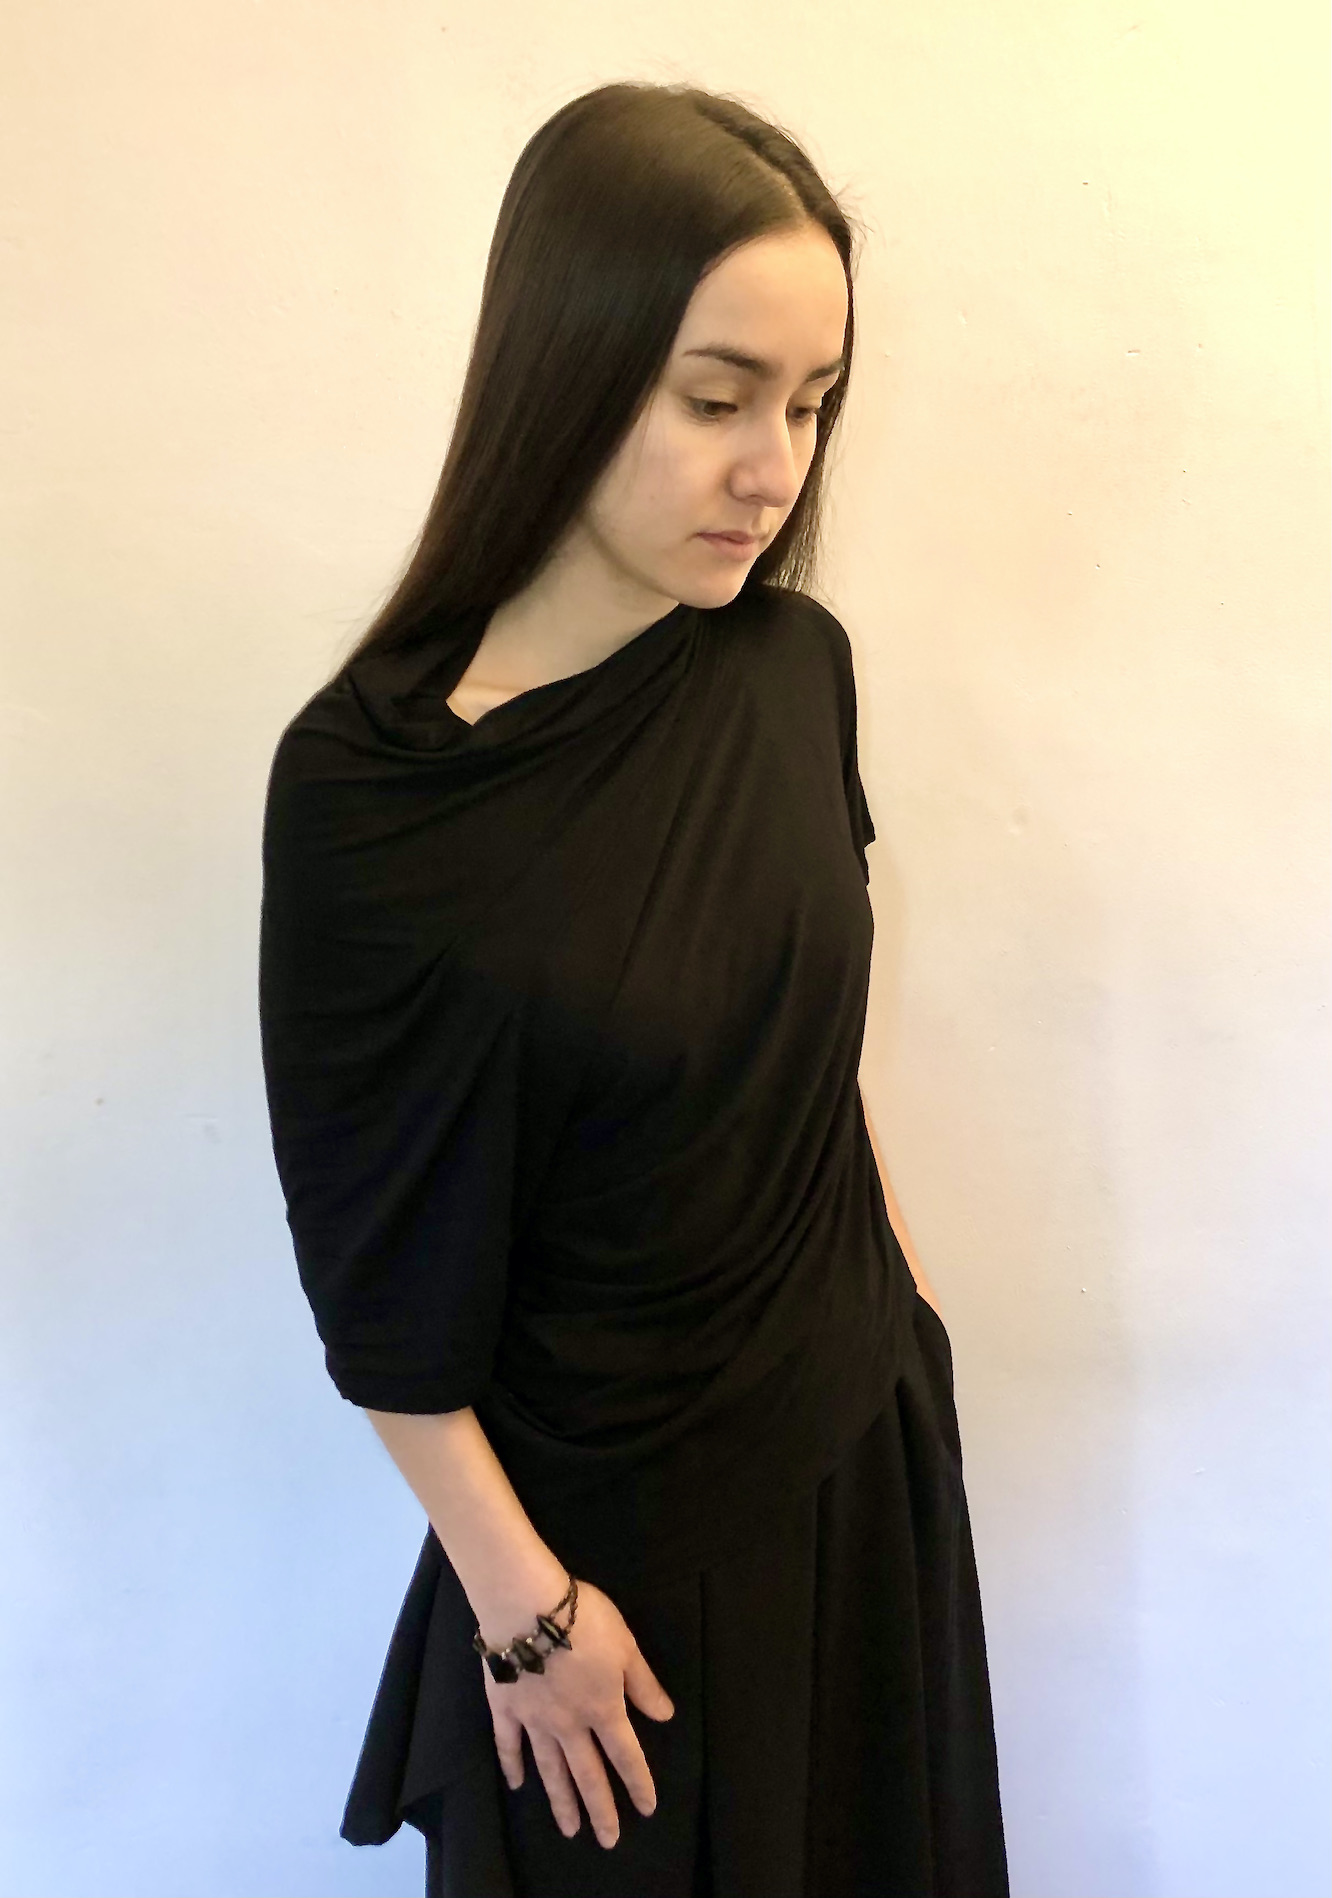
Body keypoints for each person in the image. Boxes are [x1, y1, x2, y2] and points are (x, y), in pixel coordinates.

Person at [259, 79, 1009, 1898]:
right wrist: (526, 1617)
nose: (775, 468)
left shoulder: (791, 666)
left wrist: (906, 1311)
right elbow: (376, 1283)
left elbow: (796, 1037)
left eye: (812, 403)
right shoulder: (377, 789)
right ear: (568, 366)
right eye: (717, 398)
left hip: (858, 1447)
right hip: (602, 1581)